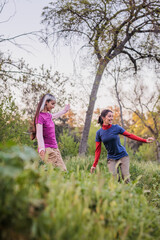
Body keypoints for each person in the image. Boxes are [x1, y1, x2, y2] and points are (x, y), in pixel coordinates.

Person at [90, 109, 154, 183]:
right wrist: (94, 165)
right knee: (114, 180)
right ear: (103, 118)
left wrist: (145, 140)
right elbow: (98, 150)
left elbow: (130, 135)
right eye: (109, 116)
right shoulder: (99, 133)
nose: (111, 118)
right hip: (111, 158)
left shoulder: (116, 128)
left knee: (126, 178)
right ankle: (117, 193)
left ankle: (129, 193)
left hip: (122, 156)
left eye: (112, 116)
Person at [30, 93, 70, 171]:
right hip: (47, 149)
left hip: (55, 148)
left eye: (54, 104)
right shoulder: (40, 117)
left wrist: (64, 111)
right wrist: (42, 148)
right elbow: (39, 135)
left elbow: (55, 115)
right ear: (46, 102)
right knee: (60, 172)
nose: (53, 106)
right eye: (52, 104)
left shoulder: (48, 115)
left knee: (60, 171)